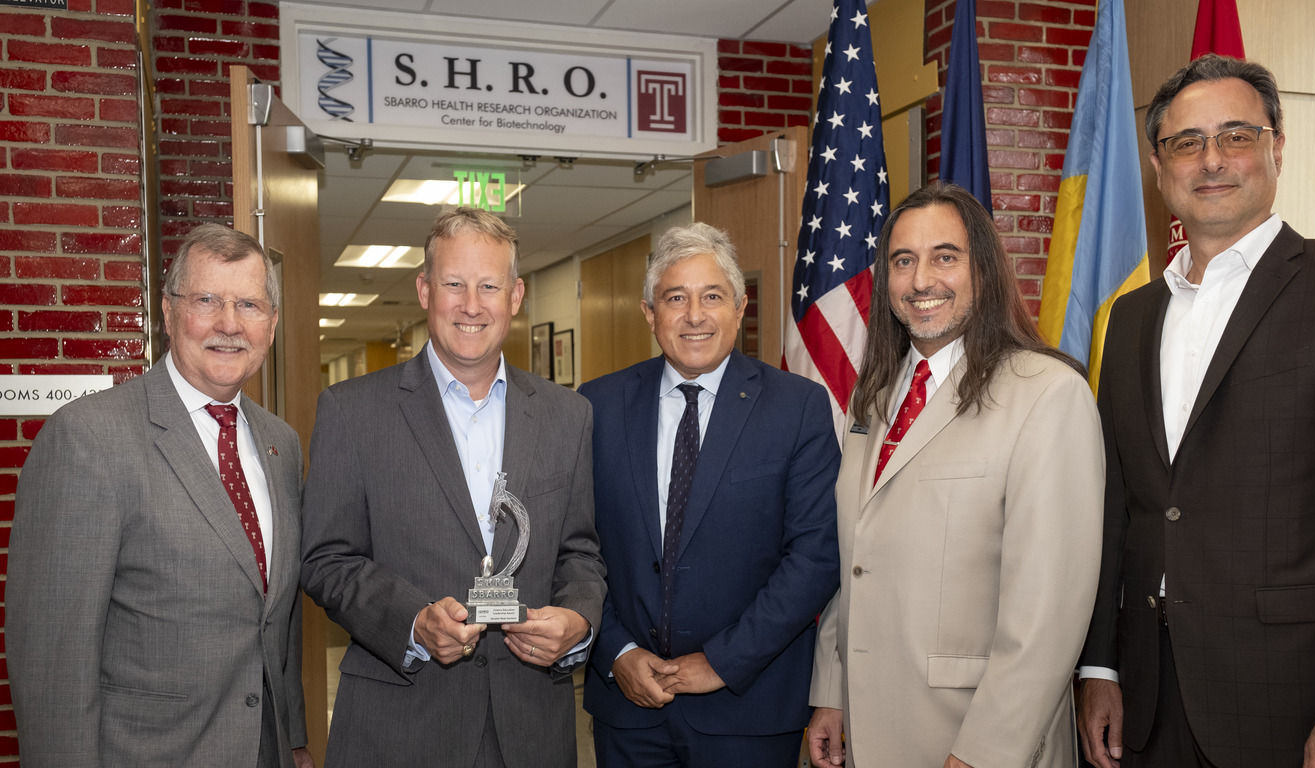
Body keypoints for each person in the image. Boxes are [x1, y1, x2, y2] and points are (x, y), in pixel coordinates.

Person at [1077, 54, 1315, 768]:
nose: (1210, 160)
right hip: (1147, 692)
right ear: (1156, 164)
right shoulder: (1129, 316)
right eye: (1185, 142)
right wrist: (1100, 666)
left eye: (1235, 136)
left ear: (1275, 148)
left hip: (1291, 697)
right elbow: (1119, 506)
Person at [807, 182, 1105, 768]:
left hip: (976, 738)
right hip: (869, 727)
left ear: (985, 271)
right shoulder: (874, 399)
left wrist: (986, 753)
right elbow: (855, 562)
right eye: (903, 261)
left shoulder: (1047, 395)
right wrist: (830, 693)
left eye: (945, 256)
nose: (921, 281)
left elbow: (1048, 613)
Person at [299, 207, 606, 768]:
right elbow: (325, 560)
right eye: (454, 284)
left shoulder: (569, 416)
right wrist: (413, 623)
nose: (471, 304)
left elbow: (580, 552)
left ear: (515, 296)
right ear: (423, 289)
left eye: (488, 285)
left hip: (530, 727)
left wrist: (578, 620)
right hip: (400, 727)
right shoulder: (352, 411)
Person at [8, 224, 313, 767]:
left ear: (270, 323)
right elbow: (52, 662)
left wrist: (292, 741)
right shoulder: (89, 437)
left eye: (249, 304)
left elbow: (274, 622)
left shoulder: (280, 445)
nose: (229, 324)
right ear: (169, 314)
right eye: (207, 300)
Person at [579, 222, 840, 767]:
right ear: (650, 314)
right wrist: (616, 650)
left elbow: (816, 556)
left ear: (740, 306)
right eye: (676, 298)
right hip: (628, 709)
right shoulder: (596, 407)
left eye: (712, 296)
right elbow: (576, 548)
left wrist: (721, 662)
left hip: (749, 708)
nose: (694, 315)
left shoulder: (797, 408)